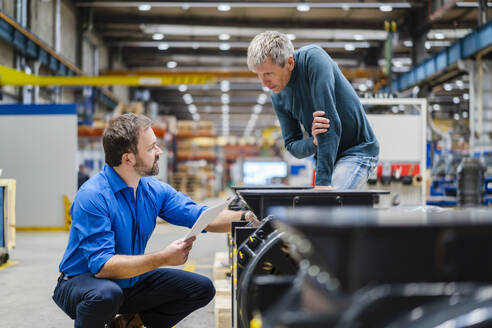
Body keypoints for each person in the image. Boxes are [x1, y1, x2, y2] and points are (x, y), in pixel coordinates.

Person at [53, 113, 257, 328]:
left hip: (128, 280)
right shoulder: (93, 196)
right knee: (105, 295)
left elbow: (201, 216)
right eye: (151, 148)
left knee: (201, 288)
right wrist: (163, 258)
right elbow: (102, 266)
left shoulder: (152, 190)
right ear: (128, 159)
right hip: (82, 283)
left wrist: (249, 217)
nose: (159, 152)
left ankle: (129, 322)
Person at [247, 31, 379, 189]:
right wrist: (314, 142)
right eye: (259, 75)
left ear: (290, 63)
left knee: (329, 205)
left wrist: (322, 183)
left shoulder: (313, 59)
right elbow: (291, 146)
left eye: (268, 73)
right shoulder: (278, 95)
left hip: (356, 151)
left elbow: (330, 124)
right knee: (320, 207)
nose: (264, 83)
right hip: (325, 154)